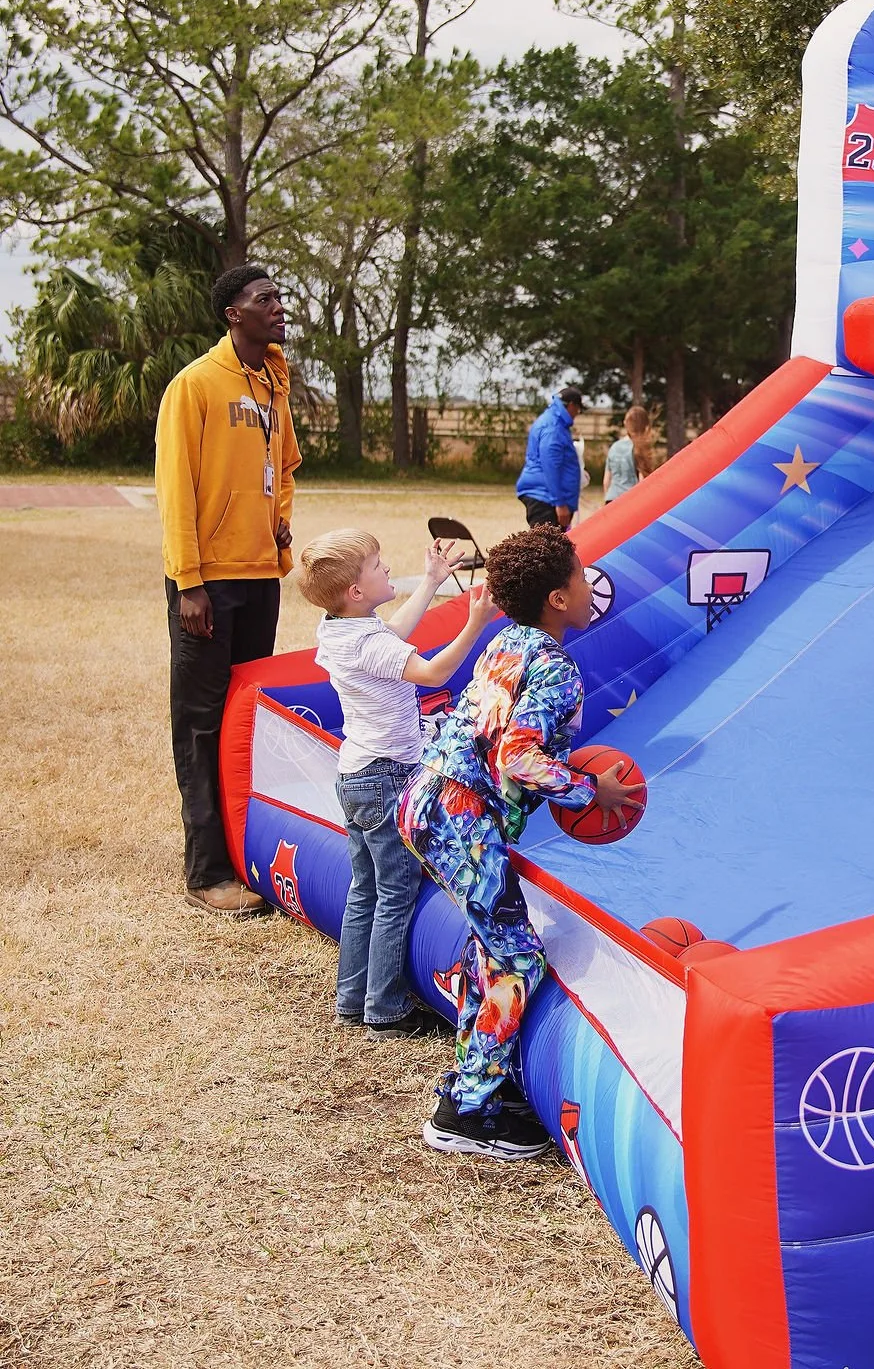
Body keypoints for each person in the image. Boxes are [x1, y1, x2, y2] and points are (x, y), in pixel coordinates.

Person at [398, 526, 640, 1159]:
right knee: (520, 958)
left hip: (428, 799)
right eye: (582, 576)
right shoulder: (556, 667)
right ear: (558, 598)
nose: (590, 585)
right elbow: (518, 759)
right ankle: (467, 1111)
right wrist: (592, 792)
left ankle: (477, 1077)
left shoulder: (509, 642)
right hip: (460, 813)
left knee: (495, 943)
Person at [298, 529, 498, 1038]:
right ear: (356, 593)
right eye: (377, 565)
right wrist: (474, 624)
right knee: (396, 891)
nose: (387, 569)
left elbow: (391, 635)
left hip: (357, 773)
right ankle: (384, 1008)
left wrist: (431, 581)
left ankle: (352, 996)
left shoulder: (341, 628)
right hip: (387, 777)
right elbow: (430, 673)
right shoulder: (366, 641)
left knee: (364, 890)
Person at [156, 265, 300, 919]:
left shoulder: (275, 381)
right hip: (207, 580)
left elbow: (285, 464)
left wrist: (279, 537)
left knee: (244, 718)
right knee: (201, 723)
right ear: (231, 314)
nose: (277, 306)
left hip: (257, 574)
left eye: (278, 296)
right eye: (263, 299)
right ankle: (206, 870)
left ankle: (241, 855)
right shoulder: (194, 385)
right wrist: (189, 581)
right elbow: (175, 487)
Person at [515, 385, 585, 529]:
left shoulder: (553, 421)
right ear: (571, 405)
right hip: (545, 499)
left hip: (545, 495)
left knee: (552, 548)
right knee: (547, 549)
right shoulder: (553, 427)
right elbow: (551, 465)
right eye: (578, 410)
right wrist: (559, 503)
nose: (577, 414)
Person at [604, 403, 656, 503]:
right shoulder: (640, 448)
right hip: (631, 500)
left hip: (611, 498)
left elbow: (606, 481)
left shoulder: (614, 447)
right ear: (645, 427)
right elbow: (643, 480)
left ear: (625, 424)